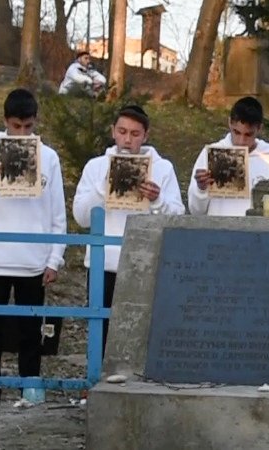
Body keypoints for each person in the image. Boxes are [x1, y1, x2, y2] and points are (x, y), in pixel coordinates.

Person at [0, 89, 67, 421]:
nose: (22, 133)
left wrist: (54, 259)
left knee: (30, 335)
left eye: (28, 127)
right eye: (16, 126)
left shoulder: (47, 157)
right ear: (5, 122)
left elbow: (57, 212)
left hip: (33, 261)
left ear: (35, 123)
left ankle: (29, 401)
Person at [72, 105, 185, 356]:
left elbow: (178, 218)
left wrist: (157, 200)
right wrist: (104, 187)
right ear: (113, 132)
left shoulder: (163, 168)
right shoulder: (95, 166)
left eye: (135, 134)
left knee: (141, 333)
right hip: (103, 264)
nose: (127, 139)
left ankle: (136, 388)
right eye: (122, 131)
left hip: (145, 262)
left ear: (145, 136)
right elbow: (80, 217)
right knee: (100, 330)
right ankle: (98, 384)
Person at [188, 96, 269, 216]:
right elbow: (195, 211)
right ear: (229, 123)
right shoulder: (210, 154)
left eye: (248, 134)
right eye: (236, 132)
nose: (241, 141)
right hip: (220, 231)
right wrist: (201, 189)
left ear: (259, 129)